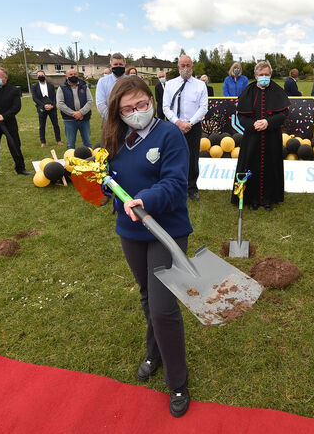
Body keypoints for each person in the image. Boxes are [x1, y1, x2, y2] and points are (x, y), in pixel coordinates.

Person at [102, 76, 193, 418]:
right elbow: (110, 179)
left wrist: (145, 200)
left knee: (162, 308)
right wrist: (101, 186)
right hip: (130, 230)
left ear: (151, 101)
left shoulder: (169, 135)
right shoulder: (114, 137)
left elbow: (174, 185)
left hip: (165, 230)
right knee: (146, 295)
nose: (136, 113)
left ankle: (178, 381)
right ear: (118, 112)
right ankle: (154, 353)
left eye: (141, 105)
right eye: (127, 109)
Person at [232, 60, 290, 211]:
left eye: (267, 74)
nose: (264, 77)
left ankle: (268, 199)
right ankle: (252, 199)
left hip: (271, 136)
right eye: (261, 74)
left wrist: (268, 122)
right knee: (251, 165)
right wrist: (253, 125)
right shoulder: (248, 91)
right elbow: (241, 116)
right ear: (255, 76)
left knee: (271, 166)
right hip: (252, 137)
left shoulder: (278, 90)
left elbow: (284, 113)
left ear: (271, 75)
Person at [163, 55, 208, 201]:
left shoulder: (200, 85)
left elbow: (203, 107)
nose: (186, 68)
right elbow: (165, 107)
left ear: (192, 66)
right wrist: (177, 122)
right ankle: (174, 187)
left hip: (193, 127)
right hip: (174, 127)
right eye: (183, 65)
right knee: (173, 157)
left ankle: (192, 188)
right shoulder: (170, 85)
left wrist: (189, 123)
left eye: (188, 65)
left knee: (192, 158)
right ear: (178, 67)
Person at [56, 68, 93, 149]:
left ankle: (90, 160)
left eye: (75, 74)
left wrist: (81, 113)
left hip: (84, 119)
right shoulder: (61, 88)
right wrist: (74, 114)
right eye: (71, 75)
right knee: (70, 144)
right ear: (66, 77)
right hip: (69, 120)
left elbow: (90, 101)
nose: (73, 76)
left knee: (87, 143)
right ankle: (71, 161)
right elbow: (60, 104)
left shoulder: (84, 86)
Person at [30, 70, 62, 147]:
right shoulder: (34, 86)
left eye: (42, 75)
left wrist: (53, 105)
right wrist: (44, 106)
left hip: (52, 108)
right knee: (42, 126)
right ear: (37, 77)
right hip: (42, 109)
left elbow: (55, 97)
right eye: (39, 76)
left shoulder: (51, 85)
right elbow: (34, 98)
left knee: (56, 125)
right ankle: (43, 142)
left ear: (45, 76)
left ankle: (58, 141)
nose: (40, 77)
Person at [96, 53, 127, 119]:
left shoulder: (131, 81)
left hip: (128, 118)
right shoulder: (102, 82)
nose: (118, 66)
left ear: (125, 65)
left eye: (121, 64)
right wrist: (113, 118)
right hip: (110, 120)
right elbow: (100, 104)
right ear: (110, 66)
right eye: (115, 64)